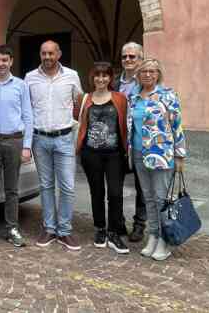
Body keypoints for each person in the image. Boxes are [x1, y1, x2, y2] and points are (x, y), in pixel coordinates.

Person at [25, 40, 83, 251]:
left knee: (67, 186)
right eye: (43, 53)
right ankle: (49, 228)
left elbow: (79, 103)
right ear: (40, 55)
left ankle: (65, 230)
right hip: (40, 139)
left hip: (64, 138)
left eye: (51, 53)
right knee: (46, 185)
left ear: (59, 54)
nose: (47, 57)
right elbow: (27, 108)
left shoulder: (72, 75)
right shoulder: (30, 78)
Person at [127, 58, 187, 261]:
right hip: (138, 153)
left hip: (161, 153)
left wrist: (180, 155)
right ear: (138, 74)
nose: (147, 74)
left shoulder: (168, 95)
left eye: (152, 71)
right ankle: (153, 235)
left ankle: (164, 239)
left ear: (158, 74)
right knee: (148, 198)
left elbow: (177, 126)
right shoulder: (133, 97)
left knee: (162, 199)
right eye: (144, 71)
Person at [0, 44, 33, 250]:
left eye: (5, 60)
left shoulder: (21, 85)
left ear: (11, 62)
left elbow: (28, 116)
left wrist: (27, 146)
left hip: (15, 140)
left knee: (12, 189)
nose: (1, 64)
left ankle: (12, 228)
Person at [76, 62, 129, 254]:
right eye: (97, 75)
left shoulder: (120, 98)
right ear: (92, 77)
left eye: (105, 75)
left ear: (110, 78)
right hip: (91, 154)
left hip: (114, 154)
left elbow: (126, 122)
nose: (101, 79)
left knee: (115, 193)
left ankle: (114, 232)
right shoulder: (85, 99)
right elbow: (79, 122)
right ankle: (100, 228)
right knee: (96, 192)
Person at [113, 42, 147, 242]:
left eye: (132, 57)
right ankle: (118, 223)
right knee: (115, 185)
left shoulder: (146, 81)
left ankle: (139, 225)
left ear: (140, 59)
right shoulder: (115, 82)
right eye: (124, 56)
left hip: (139, 141)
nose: (127, 60)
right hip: (117, 142)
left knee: (142, 187)